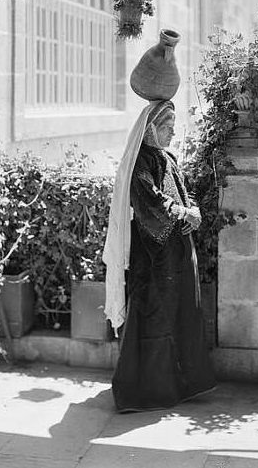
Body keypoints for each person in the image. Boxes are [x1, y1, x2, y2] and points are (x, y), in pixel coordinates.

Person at [103, 99, 216, 412]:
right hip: (154, 261)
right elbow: (151, 205)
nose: (171, 133)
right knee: (155, 320)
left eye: (173, 127)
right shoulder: (140, 163)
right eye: (166, 127)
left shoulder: (169, 158)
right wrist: (185, 215)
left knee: (182, 316)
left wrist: (192, 209)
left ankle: (182, 384)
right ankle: (146, 392)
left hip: (179, 255)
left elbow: (181, 192)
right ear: (150, 128)